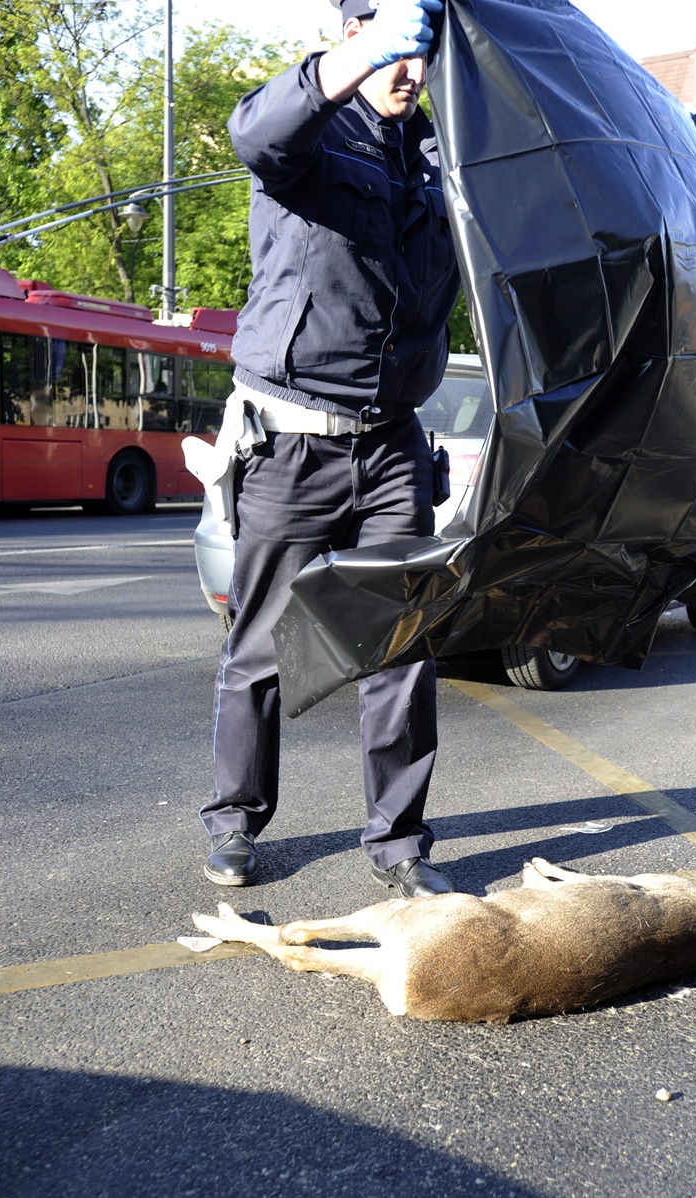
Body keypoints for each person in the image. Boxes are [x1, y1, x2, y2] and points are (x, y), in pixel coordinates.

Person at [202, 0, 459, 897]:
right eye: (395, 47)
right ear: (352, 30)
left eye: (421, 53)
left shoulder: (438, 156)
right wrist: (345, 64)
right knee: (262, 646)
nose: (409, 72)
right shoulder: (312, 129)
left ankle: (399, 845)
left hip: (392, 451)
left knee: (398, 651)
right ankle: (235, 820)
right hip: (293, 444)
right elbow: (257, 136)